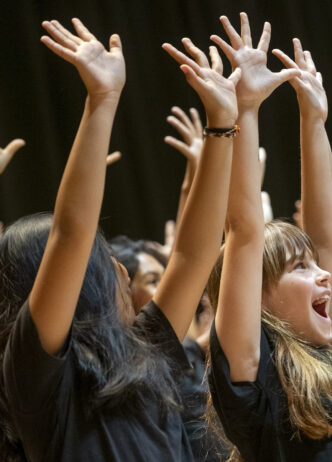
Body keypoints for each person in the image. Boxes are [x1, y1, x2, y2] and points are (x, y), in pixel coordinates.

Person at [0, 16, 241, 460]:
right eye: (105, 257)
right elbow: (70, 235)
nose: (124, 269)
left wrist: (223, 123)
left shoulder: (148, 349)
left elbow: (192, 255)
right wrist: (102, 100)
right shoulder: (39, 374)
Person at [204, 15, 332, 461]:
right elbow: (243, 232)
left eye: (312, 264)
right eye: (299, 267)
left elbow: (327, 239)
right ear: (253, 297)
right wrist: (244, 108)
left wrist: (314, 119)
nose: (323, 272)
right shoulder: (257, 380)